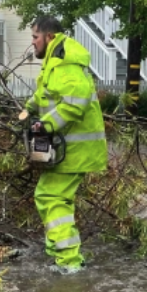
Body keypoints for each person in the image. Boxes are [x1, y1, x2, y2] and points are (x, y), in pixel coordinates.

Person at [24, 15, 108, 274]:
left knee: (51, 197)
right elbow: (45, 93)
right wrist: (28, 110)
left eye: (35, 37)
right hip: (68, 150)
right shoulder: (55, 62)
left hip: (73, 151)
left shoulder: (65, 62)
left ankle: (69, 262)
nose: (33, 43)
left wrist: (47, 125)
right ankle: (61, 251)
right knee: (50, 197)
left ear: (50, 37)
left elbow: (75, 102)